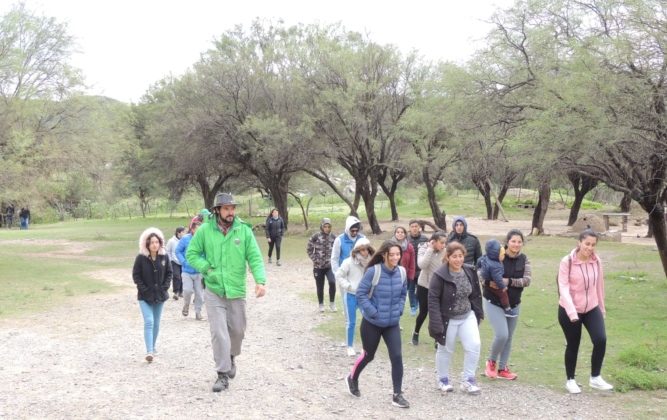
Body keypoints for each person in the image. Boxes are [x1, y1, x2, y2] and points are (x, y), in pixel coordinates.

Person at [186, 192, 267, 392]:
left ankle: (231, 356)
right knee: (219, 333)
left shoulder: (244, 231)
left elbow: (255, 257)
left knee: (238, 331)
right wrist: (207, 269)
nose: (230, 212)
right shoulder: (205, 230)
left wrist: (260, 281)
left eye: (232, 208)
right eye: (226, 208)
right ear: (217, 210)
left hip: (236, 290)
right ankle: (222, 374)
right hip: (213, 290)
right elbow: (191, 254)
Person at [345, 240, 410, 408]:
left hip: (392, 324)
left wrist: (400, 309)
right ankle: (352, 378)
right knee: (369, 355)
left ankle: (397, 394)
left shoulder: (401, 272)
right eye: (392, 254)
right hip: (372, 323)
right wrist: (374, 312)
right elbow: (360, 294)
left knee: (397, 357)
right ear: (384, 255)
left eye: (398, 254)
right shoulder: (374, 271)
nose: (396, 257)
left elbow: (404, 293)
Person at [557, 229, 612, 394]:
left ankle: (595, 377)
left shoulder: (597, 261)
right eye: (587, 244)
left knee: (600, 339)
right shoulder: (567, 261)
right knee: (574, 344)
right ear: (579, 243)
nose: (590, 248)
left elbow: (599, 286)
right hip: (569, 310)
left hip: (591, 307)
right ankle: (570, 380)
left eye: (593, 245)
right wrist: (573, 313)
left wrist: (601, 309)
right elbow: (563, 288)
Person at [428, 242, 483, 395]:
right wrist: (436, 323)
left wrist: (478, 312)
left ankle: (468, 379)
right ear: (448, 257)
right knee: (445, 348)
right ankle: (443, 379)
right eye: (454, 257)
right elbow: (432, 300)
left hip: (467, 315)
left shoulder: (469, 270)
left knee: (474, 345)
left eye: (460, 256)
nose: (458, 260)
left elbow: (476, 293)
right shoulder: (439, 276)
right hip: (448, 318)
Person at [483, 229, 531, 381]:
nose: (516, 244)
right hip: (494, 301)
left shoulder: (524, 259)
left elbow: (527, 280)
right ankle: (491, 363)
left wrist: (508, 281)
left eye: (519, 242)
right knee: (502, 334)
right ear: (507, 242)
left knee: (509, 337)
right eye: (513, 241)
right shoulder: (497, 255)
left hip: (514, 303)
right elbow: (481, 272)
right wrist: (487, 282)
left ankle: (503, 368)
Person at [132, 227, 172, 363]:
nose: (155, 244)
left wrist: (165, 287)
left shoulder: (164, 256)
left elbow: (169, 273)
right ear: (146, 244)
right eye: (152, 242)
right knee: (149, 321)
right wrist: (143, 289)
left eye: (157, 242)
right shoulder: (140, 258)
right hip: (145, 296)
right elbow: (136, 275)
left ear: (160, 243)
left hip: (160, 295)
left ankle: (153, 347)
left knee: (156, 322)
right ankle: (149, 351)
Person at [336, 238, 374, 356]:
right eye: (362, 250)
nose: (365, 252)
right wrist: (348, 286)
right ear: (357, 250)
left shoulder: (372, 262)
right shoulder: (348, 262)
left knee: (367, 322)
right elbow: (339, 275)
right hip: (351, 295)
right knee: (351, 322)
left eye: (366, 249)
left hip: (365, 297)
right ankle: (350, 346)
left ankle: (365, 347)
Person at [411, 231, 447, 345]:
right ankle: (416, 332)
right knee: (423, 312)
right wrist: (430, 249)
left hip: (438, 287)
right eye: (441, 242)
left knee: (438, 313)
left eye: (445, 243)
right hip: (424, 286)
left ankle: (437, 338)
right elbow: (421, 265)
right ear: (434, 241)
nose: (443, 245)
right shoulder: (423, 248)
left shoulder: (445, 252)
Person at [331, 215, 365, 314]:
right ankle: (348, 321)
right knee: (346, 300)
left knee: (362, 299)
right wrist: (337, 274)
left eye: (356, 230)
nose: (354, 233)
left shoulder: (362, 238)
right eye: (352, 231)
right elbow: (334, 258)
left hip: (360, 274)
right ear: (347, 229)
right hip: (344, 275)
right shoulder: (339, 240)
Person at [477, 239, 517, 318]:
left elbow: (478, 262)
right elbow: (498, 278)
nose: (503, 257)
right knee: (503, 294)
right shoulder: (496, 266)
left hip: (486, 280)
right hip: (493, 282)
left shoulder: (485, 257)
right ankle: (507, 309)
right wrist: (503, 286)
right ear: (495, 254)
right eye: (502, 255)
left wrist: (479, 268)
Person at [177, 216, 205, 320]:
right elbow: (178, 251)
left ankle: (198, 312)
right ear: (192, 229)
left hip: (199, 272)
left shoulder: (204, 240)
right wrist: (183, 261)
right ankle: (186, 305)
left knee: (199, 294)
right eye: (197, 230)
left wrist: (204, 264)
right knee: (187, 290)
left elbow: (206, 254)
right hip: (186, 271)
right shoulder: (185, 239)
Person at [306, 217, 337, 312]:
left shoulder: (334, 237)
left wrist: (335, 261)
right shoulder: (315, 236)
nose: (327, 228)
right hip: (318, 267)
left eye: (328, 226)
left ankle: (332, 304)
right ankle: (321, 304)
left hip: (329, 266)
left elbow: (337, 250)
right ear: (322, 226)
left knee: (332, 282)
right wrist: (315, 260)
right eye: (325, 226)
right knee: (320, 286)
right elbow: (309, 249)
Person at [393, 226, 416, 315]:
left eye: (402, 232)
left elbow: (412, 262)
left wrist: (411, 275)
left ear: (405, 234)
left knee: (401, 298)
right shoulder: (389, 244)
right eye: (398, 232)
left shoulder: (409, 246)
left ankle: (397, 318)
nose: (400, 234)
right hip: (392, 275)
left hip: (404, 276)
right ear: (395, 234)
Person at [407, 220, 429, 315]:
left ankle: (420, 304)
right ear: (409, 228)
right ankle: (413, 306)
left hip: (422, 269)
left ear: (419, 227)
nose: (414, 228)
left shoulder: (425, 239)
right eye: (412, 226)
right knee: (411, 289)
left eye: (416, 226)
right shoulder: (406, 239)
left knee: (421, 289)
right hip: (410, 270)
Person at [166, 226, 186, 300]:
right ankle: (176, 292)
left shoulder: (184, 240)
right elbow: (168, 251)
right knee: (176, 276)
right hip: (174, 261)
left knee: (183, 276)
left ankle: (181, 291)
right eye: (183, 232)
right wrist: (170, 260)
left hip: (183, 261)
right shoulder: (171, 241)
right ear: (178, 233)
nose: (185, 233)